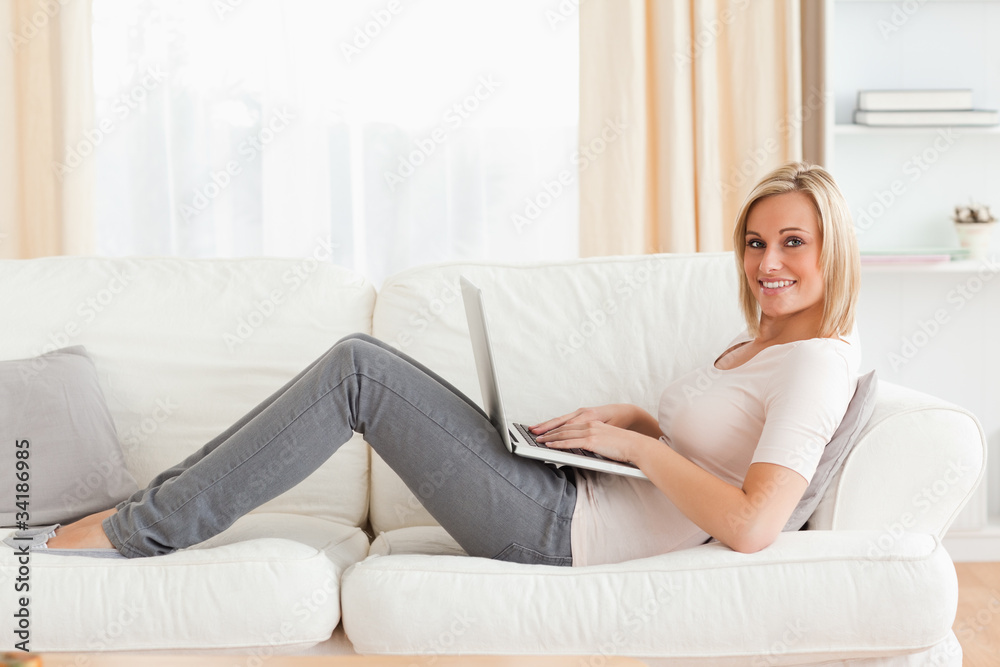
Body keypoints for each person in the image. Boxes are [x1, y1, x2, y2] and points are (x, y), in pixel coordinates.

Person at [37, 160, 861, 566]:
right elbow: (704, 455)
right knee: (356, 361)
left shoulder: (816, 364)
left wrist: (638, 449)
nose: (767, 263)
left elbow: (753, 524)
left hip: (564, 530)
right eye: (756, 243)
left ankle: (137, 530)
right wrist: (629, 422)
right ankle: (145, 507)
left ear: (833, 248)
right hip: (570, 491)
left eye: (793, 241)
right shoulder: (760, 344)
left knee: (359, 369)